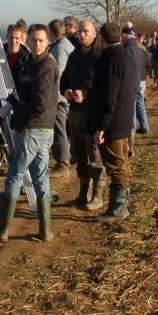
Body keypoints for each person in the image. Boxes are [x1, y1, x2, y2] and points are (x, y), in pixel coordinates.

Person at [0, 24, 58, 243]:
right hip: (41, 128)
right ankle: (45, 232)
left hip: (34, 128)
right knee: (41, 178)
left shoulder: (45, 66)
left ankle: (1, 230)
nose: (36, 44)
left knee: (14, 177)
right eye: (34, 40)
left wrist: (19, 107)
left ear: (47, 43)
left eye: (41, 41)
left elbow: (40, 104)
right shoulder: (32, 63)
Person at [87, 23, 139, 223]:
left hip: (113, 123)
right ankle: (122, 205)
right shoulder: (126, 56)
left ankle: (118, 209)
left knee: (116, 166)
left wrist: (102, 126)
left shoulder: (109, 60)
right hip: (124, 120)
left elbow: (110, 97)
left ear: (101, 37)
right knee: (123, 163)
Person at [60, 17, 105, 209]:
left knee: (94, 154)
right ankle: (83, 192)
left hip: (93, 112)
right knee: (79, 153)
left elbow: (103, 84)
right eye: (80, 31)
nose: (82, 34)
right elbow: (64, 78)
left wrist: (85, 93)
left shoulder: (101, 55)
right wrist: (67, 91)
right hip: (75, 111)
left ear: (94, 33)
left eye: (86, 31)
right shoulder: (74, 54)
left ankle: (98, 195)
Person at [48, 18, 75, 175]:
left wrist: (53, 96)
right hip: (64, 95)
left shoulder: (59, 49)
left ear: (51, 32)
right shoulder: (66, 45)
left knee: (59, 130)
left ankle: (63, 163)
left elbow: (57, 74)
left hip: (58, 97)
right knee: (61, 129)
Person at [122, 26, 150, 142]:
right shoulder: (140, 49)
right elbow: (146, 63)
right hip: (140, 79)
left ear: (124, 35)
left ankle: (132, 132)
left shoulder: (126, 49)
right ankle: (144, 126)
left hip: (131, 82)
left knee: (132, 107)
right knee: (140, 103)